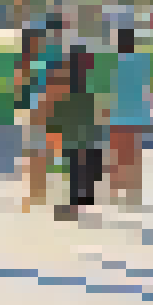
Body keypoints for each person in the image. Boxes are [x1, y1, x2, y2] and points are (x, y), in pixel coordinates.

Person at [39, 46, 107, 219]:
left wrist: (53, 126)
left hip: (76, 134)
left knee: (79, 168)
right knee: (82, 168)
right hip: (85, 133)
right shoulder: (87, 84)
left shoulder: (73, 87)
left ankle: (80, 204)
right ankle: (84, 202)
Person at [106, 29, 153, 206]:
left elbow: (110, 90)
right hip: (136, 114)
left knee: (117, 153)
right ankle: (133, 191)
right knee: (134, 153)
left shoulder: (116, 63)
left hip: (118, 114)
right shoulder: (142, 62)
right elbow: (147, 88)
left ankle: (115, 190)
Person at [13, 27, 49, 211]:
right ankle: (36, 190)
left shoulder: (38, 60)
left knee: (37, 150)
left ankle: (37, 191)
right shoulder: (27, 61)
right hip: (33, 108)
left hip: (41, 108)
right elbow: (19, 85)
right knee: (35, 150)